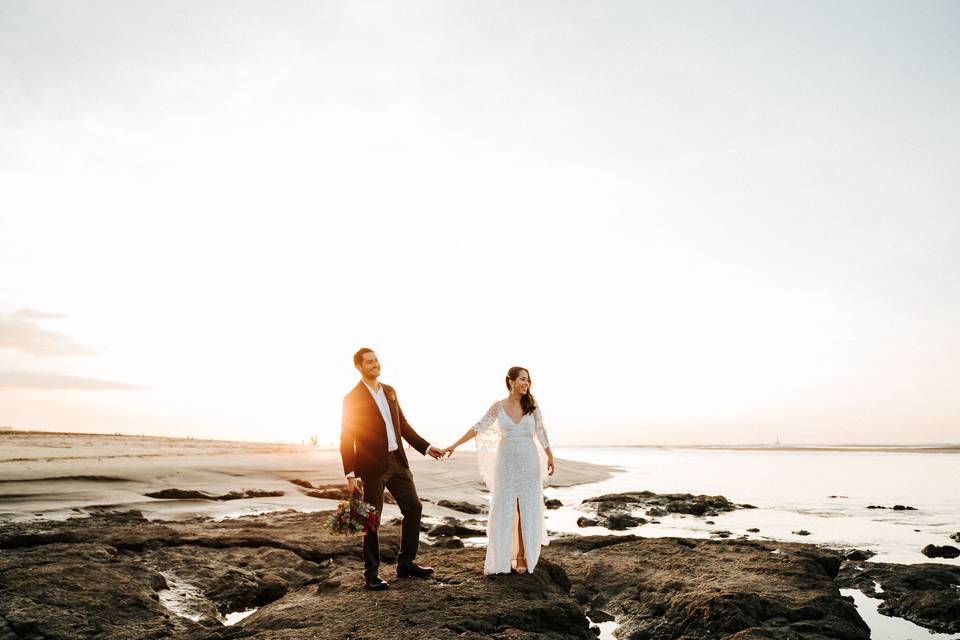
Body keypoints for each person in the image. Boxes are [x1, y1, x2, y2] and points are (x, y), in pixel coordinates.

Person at [340, 347, 444, 590]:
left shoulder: (390, 391)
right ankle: (371, 574)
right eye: (369, 362)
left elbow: (403, 425)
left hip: (398, 461)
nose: (375, 364)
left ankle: (406, 563)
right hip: (372, 466)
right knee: (371, 520)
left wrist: (428, 448)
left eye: (376, 360)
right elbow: (347, 437)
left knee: (414, 508)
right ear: (359, 366)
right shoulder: (352, 398)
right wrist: (350, 473)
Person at [441, 366, 555, 574]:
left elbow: (541, 433)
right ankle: (502, 558)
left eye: (528, 380)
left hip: (529, 462)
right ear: (510, 381)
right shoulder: (498, 406)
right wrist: (454, 445)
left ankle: (522, 555)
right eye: (522, 379)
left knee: (526, 507)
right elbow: (478, 428)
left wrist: (550, 456)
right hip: (506, 463)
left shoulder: (532, 405)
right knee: (505, 507)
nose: (526, 383)